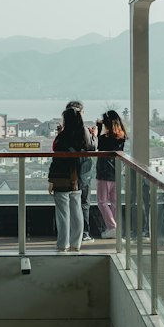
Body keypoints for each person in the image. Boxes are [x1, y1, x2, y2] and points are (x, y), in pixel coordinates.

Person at [48, 105, 90, 251]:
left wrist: (51, 180)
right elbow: (92, 148)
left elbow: (56, 159)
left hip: (62, 178)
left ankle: (62, 245)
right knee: (76, 211)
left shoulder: (63, 137)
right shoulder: (83, 136)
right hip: (78, 178)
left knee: (63, 214)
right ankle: (75, 244)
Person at [66, 100, 95, 240]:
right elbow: (91, 147)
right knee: (84, 201)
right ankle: (84, 232)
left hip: (68, 168)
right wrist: (94, 135)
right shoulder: (83, 129)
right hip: (83, 168)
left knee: (70, 200)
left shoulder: (65, 131)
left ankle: (72, 232)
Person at [95, 109, 127, 232]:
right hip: (117, 172)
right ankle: (114, 227)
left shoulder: (104, 138)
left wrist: (98, 127)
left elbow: (97, 145)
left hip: (104, 172)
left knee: (102, 202)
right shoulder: (122, 137)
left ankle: (112, 227)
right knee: (115, 202)